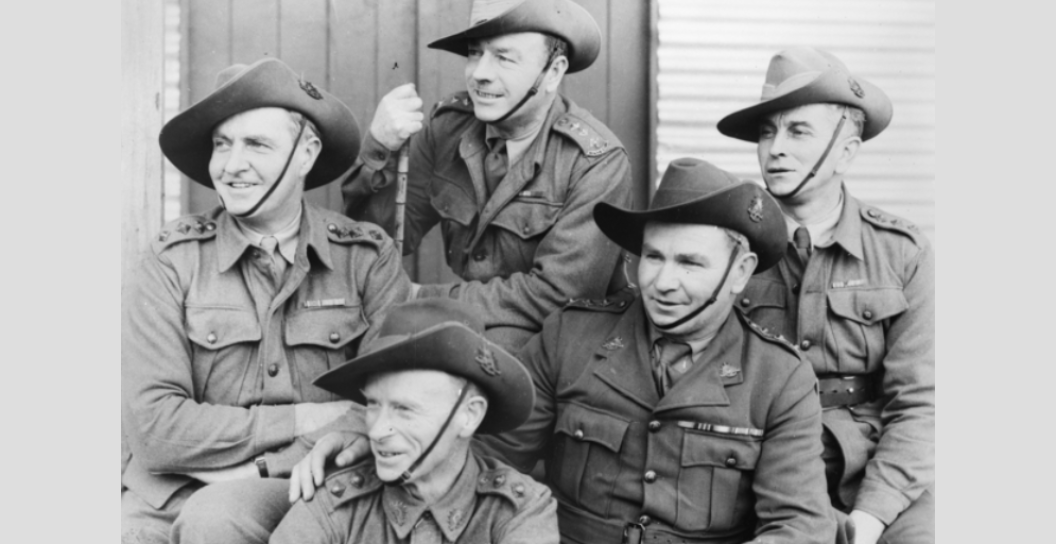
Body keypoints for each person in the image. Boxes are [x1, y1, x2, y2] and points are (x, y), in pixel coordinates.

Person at [294, 158, 836, 543]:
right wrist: (375, 434)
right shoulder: (572, 338)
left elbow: (798, 526)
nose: (663, 282)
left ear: (740, 272)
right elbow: (486, 454)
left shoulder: (779, 378)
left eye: (689, 263)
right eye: (652, 258)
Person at [121, 57, 412, 544]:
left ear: (306, 153)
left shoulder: (365, 258)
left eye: (256, 144)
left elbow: (384, 411)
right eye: (222, 144)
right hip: (169, 501)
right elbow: (155, 428)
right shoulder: (172, 260)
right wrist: (305, 418)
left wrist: (257, 470)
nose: (232, 166)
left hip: (318, 491)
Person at [716, 47, 935, 544]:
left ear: (846, 151)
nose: (774, 149)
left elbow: (923, 403)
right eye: (767, 131)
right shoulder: (726, 247)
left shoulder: (901, 253)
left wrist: (875, 514)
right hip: (756, 469)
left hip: (873, 468)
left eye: (797, 131)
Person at [342, 0, 635, 350]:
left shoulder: (595, 162)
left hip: (567, 348)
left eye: (504, 58)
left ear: (553, 72)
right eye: (474, 53)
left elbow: (558, 296)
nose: (479, 73)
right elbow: (379, 244)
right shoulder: (448, 128)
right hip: (475, 333)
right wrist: (379, 148)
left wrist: (423, 298)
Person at [270, 298, 558, 544]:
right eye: (372, 404)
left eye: (404, 409)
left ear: (469, 415)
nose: (378, 430)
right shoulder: (336, 502)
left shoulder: (519, 509)